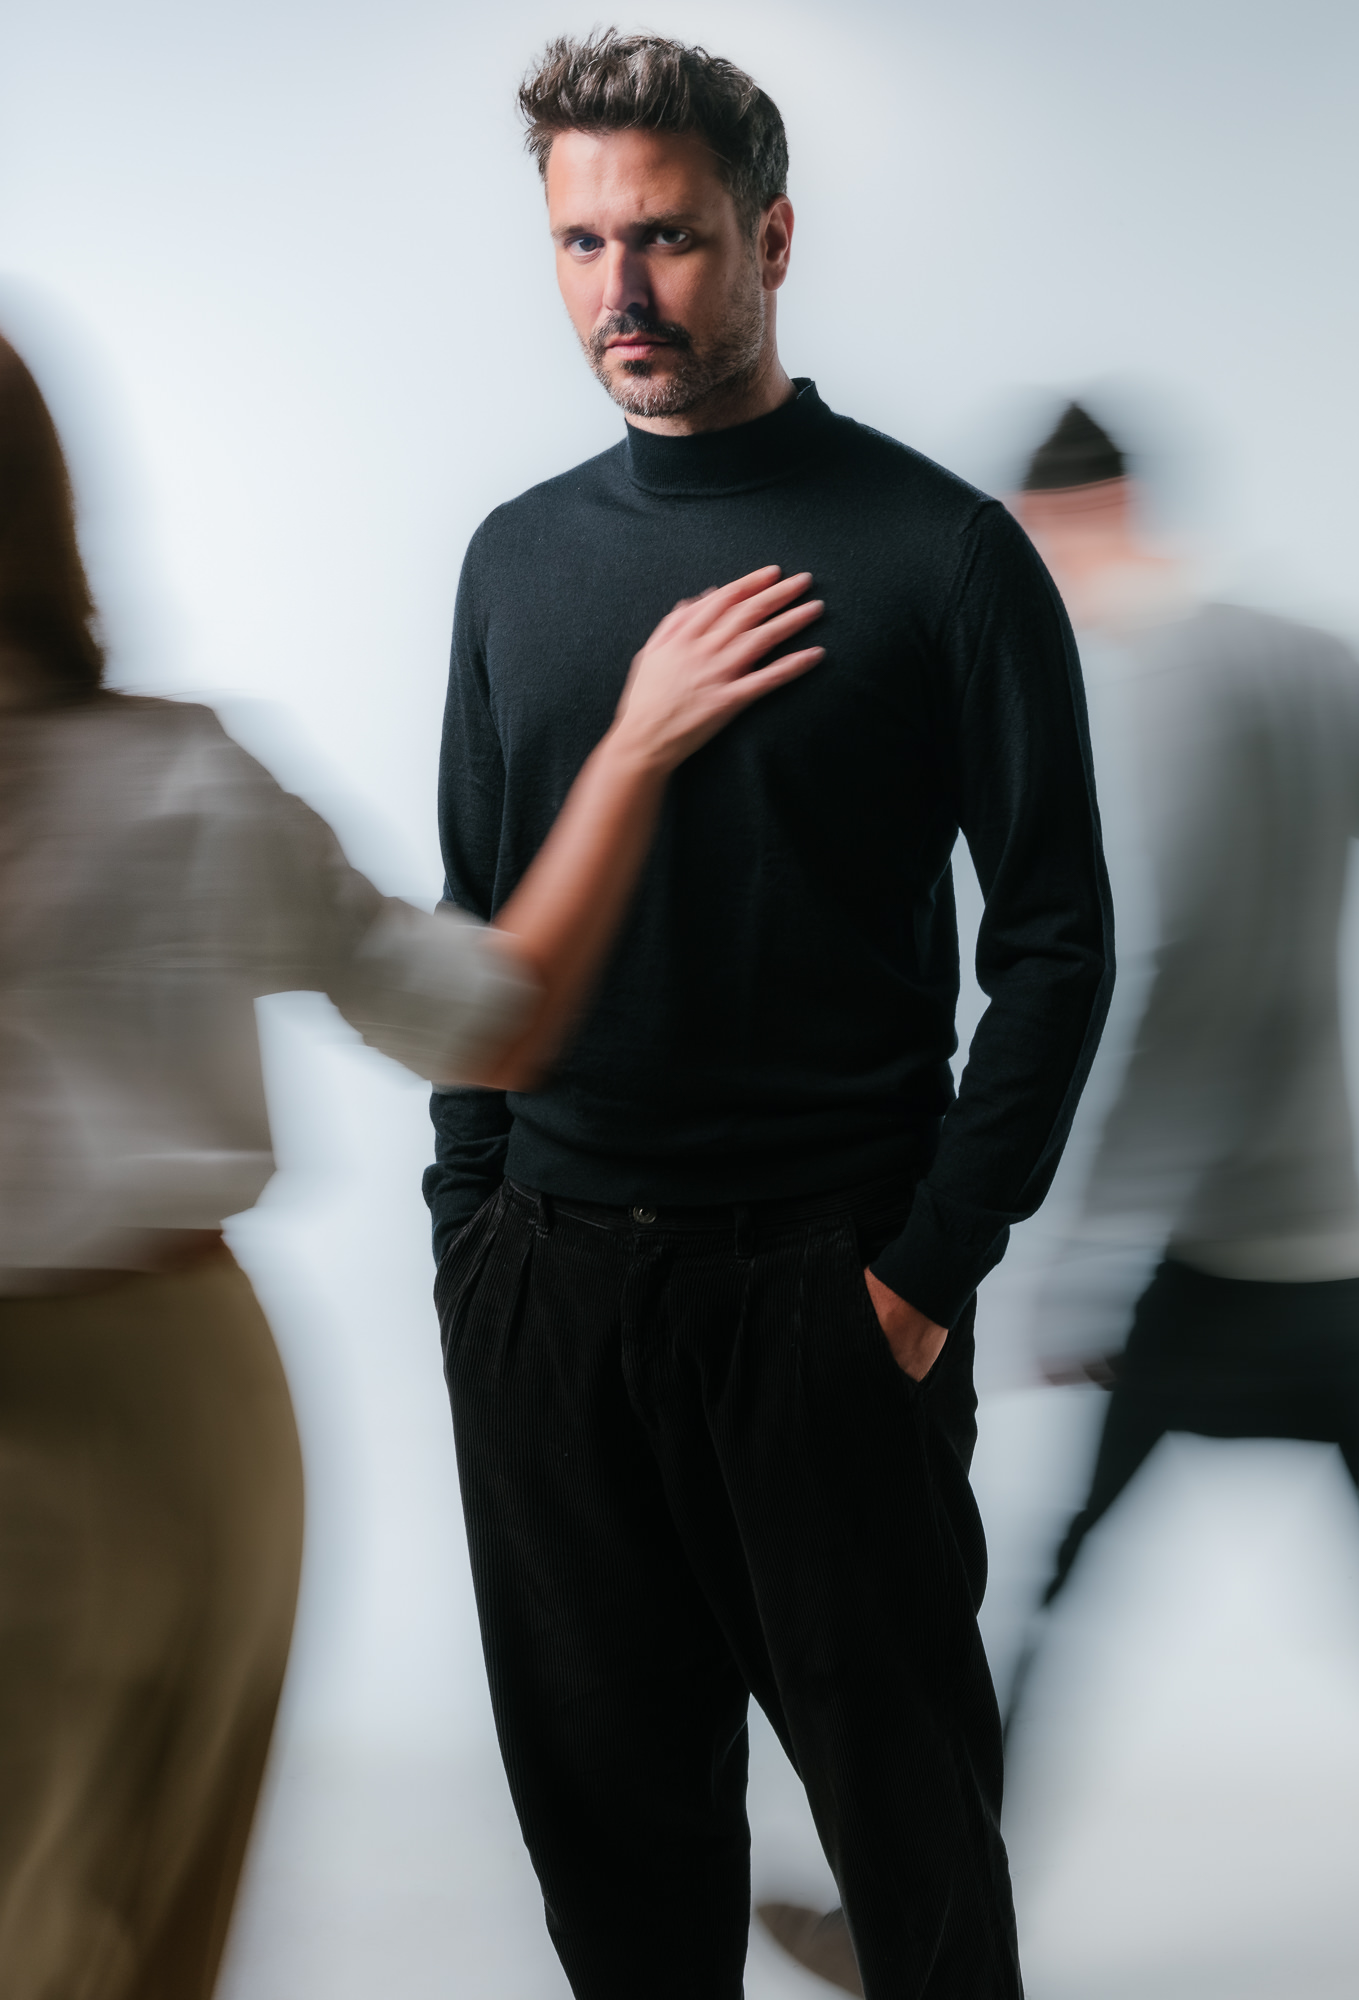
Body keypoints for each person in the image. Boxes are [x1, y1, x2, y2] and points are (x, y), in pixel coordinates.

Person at [761, 403, 1359, 2000]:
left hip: (1212, 1257)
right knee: (1358, 1592)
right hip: (1321, 1248)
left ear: (1075, 521)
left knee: (1066, 1590)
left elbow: (1179, 991)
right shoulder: (1304, 658)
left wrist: (1080, 1253)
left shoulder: (1165, 690)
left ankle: (901, 1936)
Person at [0, 327, 814, 1998]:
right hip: (176, 1403)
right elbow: (485, 1018)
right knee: (119, 1923)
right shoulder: (173, 777)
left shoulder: (175, 782)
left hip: (155, 1411)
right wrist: (632, 754)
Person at [424, 34, 1111, 2000]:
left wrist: (920, 1275)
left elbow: (1055, 939)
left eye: (666, 237)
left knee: (917, 1867)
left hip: (827, 1295)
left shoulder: (939, 553)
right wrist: (470, 1235)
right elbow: (479, 919)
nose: (620, 289)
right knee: (620, 1884)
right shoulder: (517, 560)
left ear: (771, 238)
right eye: (581, 244)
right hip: (550, 1299)